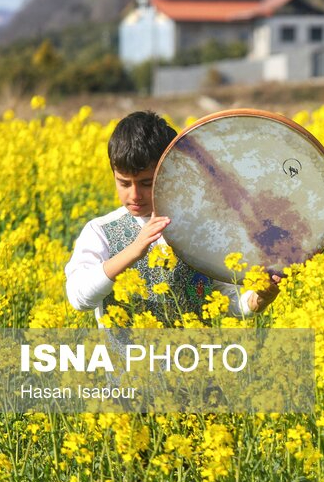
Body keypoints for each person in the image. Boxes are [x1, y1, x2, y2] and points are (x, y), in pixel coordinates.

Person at [65, 111, 279, 327]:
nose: (135, 195)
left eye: (147, 183)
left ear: (171, 172)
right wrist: (134, 250)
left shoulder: (202, 229)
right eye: (124, 183)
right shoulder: (101, 232)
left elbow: (226, 300)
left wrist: (255, 301)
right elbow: (79, 298)